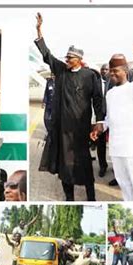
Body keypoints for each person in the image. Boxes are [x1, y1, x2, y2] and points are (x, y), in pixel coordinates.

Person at [34, 13, 104, 201]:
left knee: (85, 168)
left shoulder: (90, 76)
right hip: (63, 131)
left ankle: (91, 197)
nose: (67, 59)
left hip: (81, 132)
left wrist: (99, 122)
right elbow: (47, 55)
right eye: (66, 56)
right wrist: (39, 31)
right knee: (65, 168)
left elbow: (98, 100)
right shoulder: (61, 71)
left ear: (79, 59)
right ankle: (69, 198)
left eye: (70, 57)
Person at [90, 39, 133, 201]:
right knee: (123, 183)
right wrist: (100, 128)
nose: (112, 74)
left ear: (125, 70)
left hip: (132, 146)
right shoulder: (110, 94)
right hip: (116, 146)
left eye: (116, 71)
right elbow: (110, 119)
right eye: (110, 71)